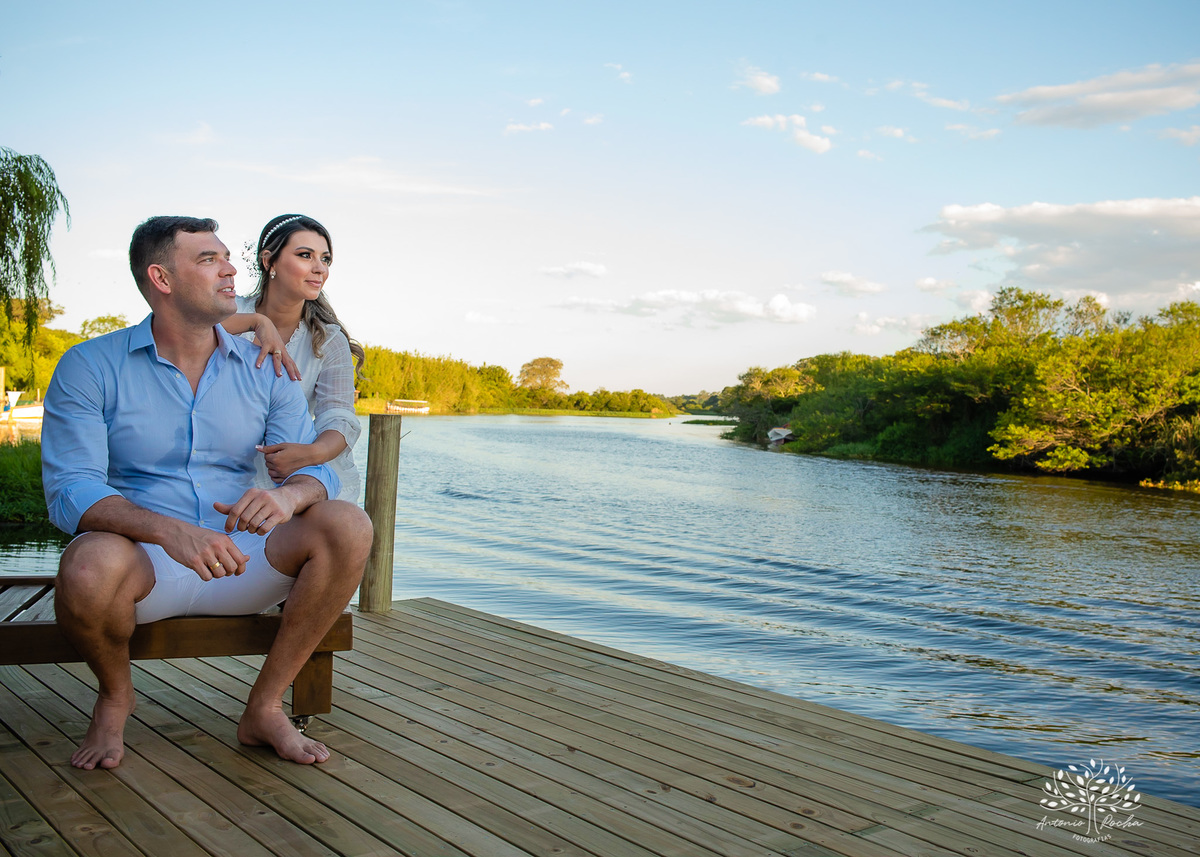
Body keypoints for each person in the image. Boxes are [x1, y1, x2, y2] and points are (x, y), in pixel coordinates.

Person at [41, 216, 372, 771]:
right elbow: (71, 491)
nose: (229, 269)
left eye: (227, 257)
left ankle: (264, 709)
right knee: (86, 564)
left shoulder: (268, 366)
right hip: (146, 565)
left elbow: (322, 471)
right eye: (208, 260)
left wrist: (290, 498)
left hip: (246, 558)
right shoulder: (89, 366)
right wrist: (169, 531)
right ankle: (116, 697)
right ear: (161, 279)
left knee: (347, 524)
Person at [222, 214, 364, 503]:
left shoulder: (327, 339)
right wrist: (257, 323)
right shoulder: (228, 310)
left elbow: (338, 417)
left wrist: (312, 453)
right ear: (268, 261)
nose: (319, 269)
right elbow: (184, 327)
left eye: (325, 259)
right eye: (305, 255)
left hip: (296, 475)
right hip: (221, 471)